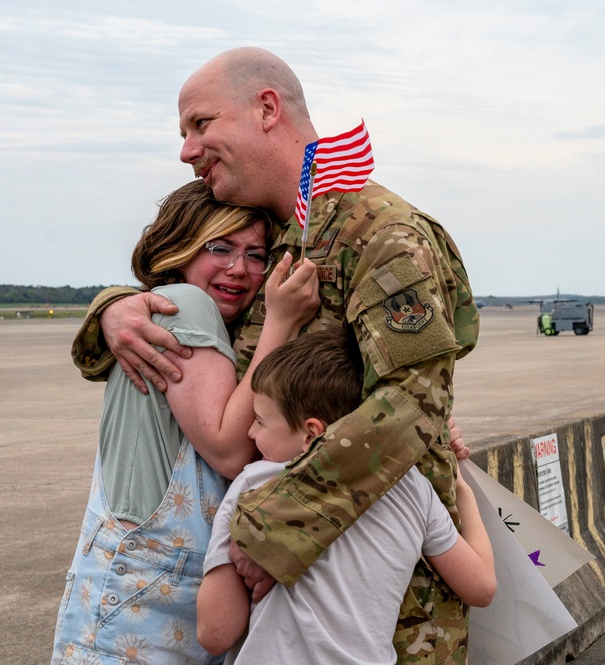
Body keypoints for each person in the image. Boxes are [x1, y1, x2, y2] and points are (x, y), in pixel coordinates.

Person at [71, 46, 480, 663]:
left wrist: (271, 529)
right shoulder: (287, 232)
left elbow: (412, 406)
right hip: (287, 613)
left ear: (266, 109)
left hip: (382, 611)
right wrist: (117, 307)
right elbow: (197, 304)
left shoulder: (381, 233)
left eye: (201, 125)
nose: (186, 150)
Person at [52, 179, 319, 665]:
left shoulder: (212, 324)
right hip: (140, 602)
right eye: (220, 247)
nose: (239, 268)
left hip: (152, 598)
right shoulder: (184, 305)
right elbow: (229, 448)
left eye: (256, 255)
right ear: (180, 249)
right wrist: (282, 321)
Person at [197, 328, 495, 663]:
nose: (251, 433)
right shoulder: (412, 488)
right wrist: (463, 493)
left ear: (312, 433)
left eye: (261, 422)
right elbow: (481, 588)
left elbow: (216, 632)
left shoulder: (256, 483)